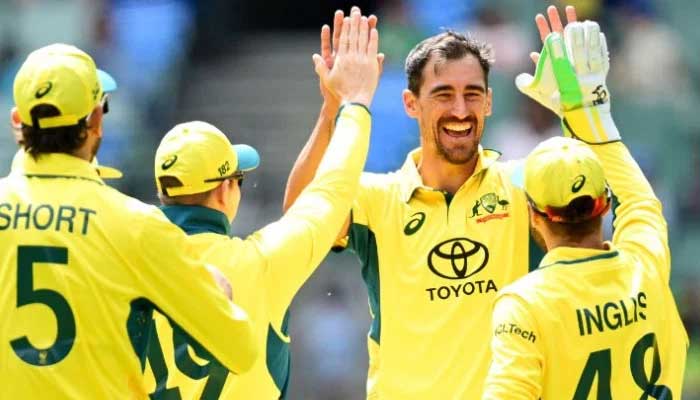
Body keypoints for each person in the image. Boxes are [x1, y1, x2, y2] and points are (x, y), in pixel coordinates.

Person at [283, 5, 584, 399]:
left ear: (489, 102)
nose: (460, 110)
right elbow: (297, 219)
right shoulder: (378, 198)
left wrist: (583, 109)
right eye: (443, 95)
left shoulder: (523, 185)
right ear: (411, 104)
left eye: (472, 95)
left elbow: (587, 195)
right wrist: (332, 109)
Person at [141, 10, 381, 399]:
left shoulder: (126, 264)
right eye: (238, 179)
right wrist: (354, 104)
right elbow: (330, 193)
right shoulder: (263, 262)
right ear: (223, 192)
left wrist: (329, 112)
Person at [0, 43, 258, 398]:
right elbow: (240, 350)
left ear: (17, 120)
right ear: (95, 119)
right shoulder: (137, 225)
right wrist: (217, 290)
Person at [482, 20, 688, 399]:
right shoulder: (646, 264)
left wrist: (585, 110)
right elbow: (641, 201)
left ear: (534, 213)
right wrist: (591, 111)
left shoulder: (525, 305)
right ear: (605, 205)